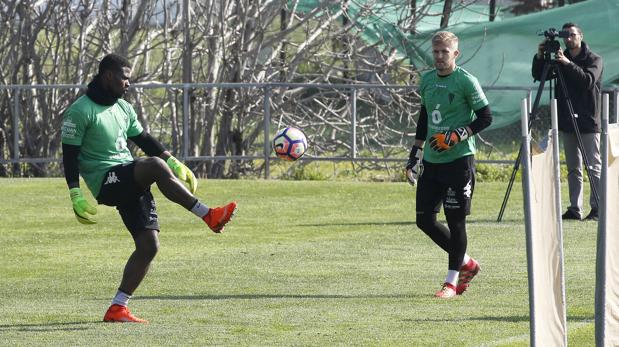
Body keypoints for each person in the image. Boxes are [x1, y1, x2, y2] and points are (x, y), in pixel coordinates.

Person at [61, 53, 237, 323]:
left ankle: (118, 307)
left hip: (127, 176)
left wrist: (174, 162)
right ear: (108, 76)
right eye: (124, 77)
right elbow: (69, 155)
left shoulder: (123, 107)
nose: (128, 83)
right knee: (153, 165)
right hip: (105, 181)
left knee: (149, 246)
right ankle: (208, 214)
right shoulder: (80, 110)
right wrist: (76, 193)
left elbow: (143, 138)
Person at [405, 31, 492, 298]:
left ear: (456, 54)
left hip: (459, 162)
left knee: (455, 222)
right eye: (436, 52)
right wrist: (414, 154)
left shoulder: (466, 81)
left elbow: (486, 117)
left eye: (445, 52)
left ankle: (451, 282)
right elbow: (424, 117)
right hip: (432, 161)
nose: (440, 57)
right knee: (424, 221)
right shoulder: (428, 80)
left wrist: (457, 135)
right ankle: (466, 262)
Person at [532, 22, 603, 221]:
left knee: (593, 166)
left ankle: (598, 208)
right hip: (567, 120)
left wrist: (567, 63)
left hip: (588, 120)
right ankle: (574, 208)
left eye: (572, 34)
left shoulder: (594, 59)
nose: (569, 39)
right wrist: (540, 56)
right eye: (566, 35)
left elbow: (587, 81)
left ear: (581, 35)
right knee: (573, 168)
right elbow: (539, 76)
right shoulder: (560, 59)